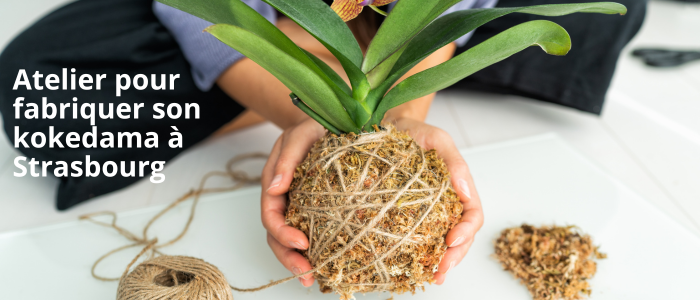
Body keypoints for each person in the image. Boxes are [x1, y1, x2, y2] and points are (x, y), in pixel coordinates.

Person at [0, 0, 645, 287]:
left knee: (607, 5)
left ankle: (324, 65)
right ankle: (325, 65)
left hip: (405, 13)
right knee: (41, 93)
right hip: (273, 8)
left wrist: (393, 121)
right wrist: (317, 112)